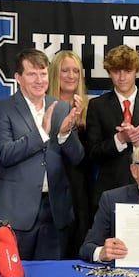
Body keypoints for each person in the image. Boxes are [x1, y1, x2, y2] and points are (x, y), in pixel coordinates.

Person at [0, 48, 84, 260]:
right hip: (16, 213)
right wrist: (41, 133)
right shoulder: (2, 109)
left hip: (56, 211)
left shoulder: (61, 108)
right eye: (32, 74)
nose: (39, 80)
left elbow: (77, 157)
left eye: (43, 74)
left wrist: (65, 134)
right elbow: (4, 154)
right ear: (18, 78)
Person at [86, 44, 139, 216]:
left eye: (127, 71)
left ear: (137, 71)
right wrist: (119, 139)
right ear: (109, 72)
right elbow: (92, 152)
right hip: (110, 191)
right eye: (116, 71)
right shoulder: (97, 105)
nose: (122, 77)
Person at [48, 50, 92, 258]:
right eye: (65, 70)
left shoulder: (89, 108)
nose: (71, 76)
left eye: (76, 71)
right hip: (51, 183)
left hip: (79, 187)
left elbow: (87, 155)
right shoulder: (44, 105)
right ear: (55, 73)